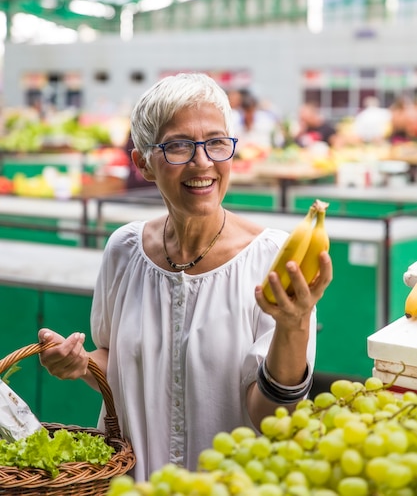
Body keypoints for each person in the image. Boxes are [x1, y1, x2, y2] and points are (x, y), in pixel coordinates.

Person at [37, 73, 332, 481]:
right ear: (142, 163)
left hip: (227, 487)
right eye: (178, 145)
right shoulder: (124, 250)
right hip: (130, 485)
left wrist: (295, 324)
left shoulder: (273, 260)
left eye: (215, 142)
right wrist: (81, 363)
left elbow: (273, 416)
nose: (203, 162)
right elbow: (116, 359)